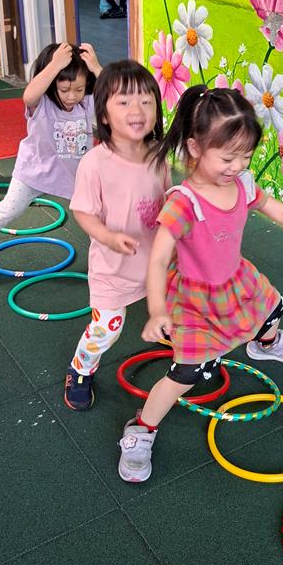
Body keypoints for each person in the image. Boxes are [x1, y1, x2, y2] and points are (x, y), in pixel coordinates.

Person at [117, 85, 283, 483]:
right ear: (194, 147)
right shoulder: (184, 202)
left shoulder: (242, 185)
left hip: (235, 281)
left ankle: (266, 344)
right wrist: (156, 310)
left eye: (246, 156)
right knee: (186, 374)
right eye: (227, 157)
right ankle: (141, 430)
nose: (238, 166)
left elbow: (280, 211)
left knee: (273, 308)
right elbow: (158, 259)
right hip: (195, 298)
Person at [63, 60, 168, 411]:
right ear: (104, 115)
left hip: (156, 262)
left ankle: (180, 344)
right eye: (124, 101)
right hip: (113, 269)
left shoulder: (159, 155)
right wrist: (107, 236)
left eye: (146, 100)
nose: (137, 109)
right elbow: (83, 211)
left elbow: (167, 198)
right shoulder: (95, 162)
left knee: (180, 305)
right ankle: (81, 369)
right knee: (107, 328)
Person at [0, 41, 102, 275]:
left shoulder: (86, 103)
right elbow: (29, 96)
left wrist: (96, 68)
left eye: (79, 89)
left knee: (95, 217)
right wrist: (54, 65)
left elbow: (114, 92)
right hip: (35, 171)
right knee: (9, 208)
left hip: (76, 175)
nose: (72, 96)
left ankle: (105, 261)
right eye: (64, 90)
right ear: (51, 83)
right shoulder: (42, 104)